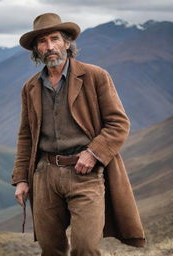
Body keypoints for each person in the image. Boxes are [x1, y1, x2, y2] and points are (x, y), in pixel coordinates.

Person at [12, 13, 145, 256]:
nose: (49, 47)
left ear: (67, 43)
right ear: (36, 49)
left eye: (55, 39)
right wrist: (21, 178)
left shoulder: (95, 76)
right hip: (45, 175)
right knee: (51, 249)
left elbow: (118, 123)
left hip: (85, 173)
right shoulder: (31, 87)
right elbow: (25, 136)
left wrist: (93, 153)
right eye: (42, 42)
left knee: (85, 247)